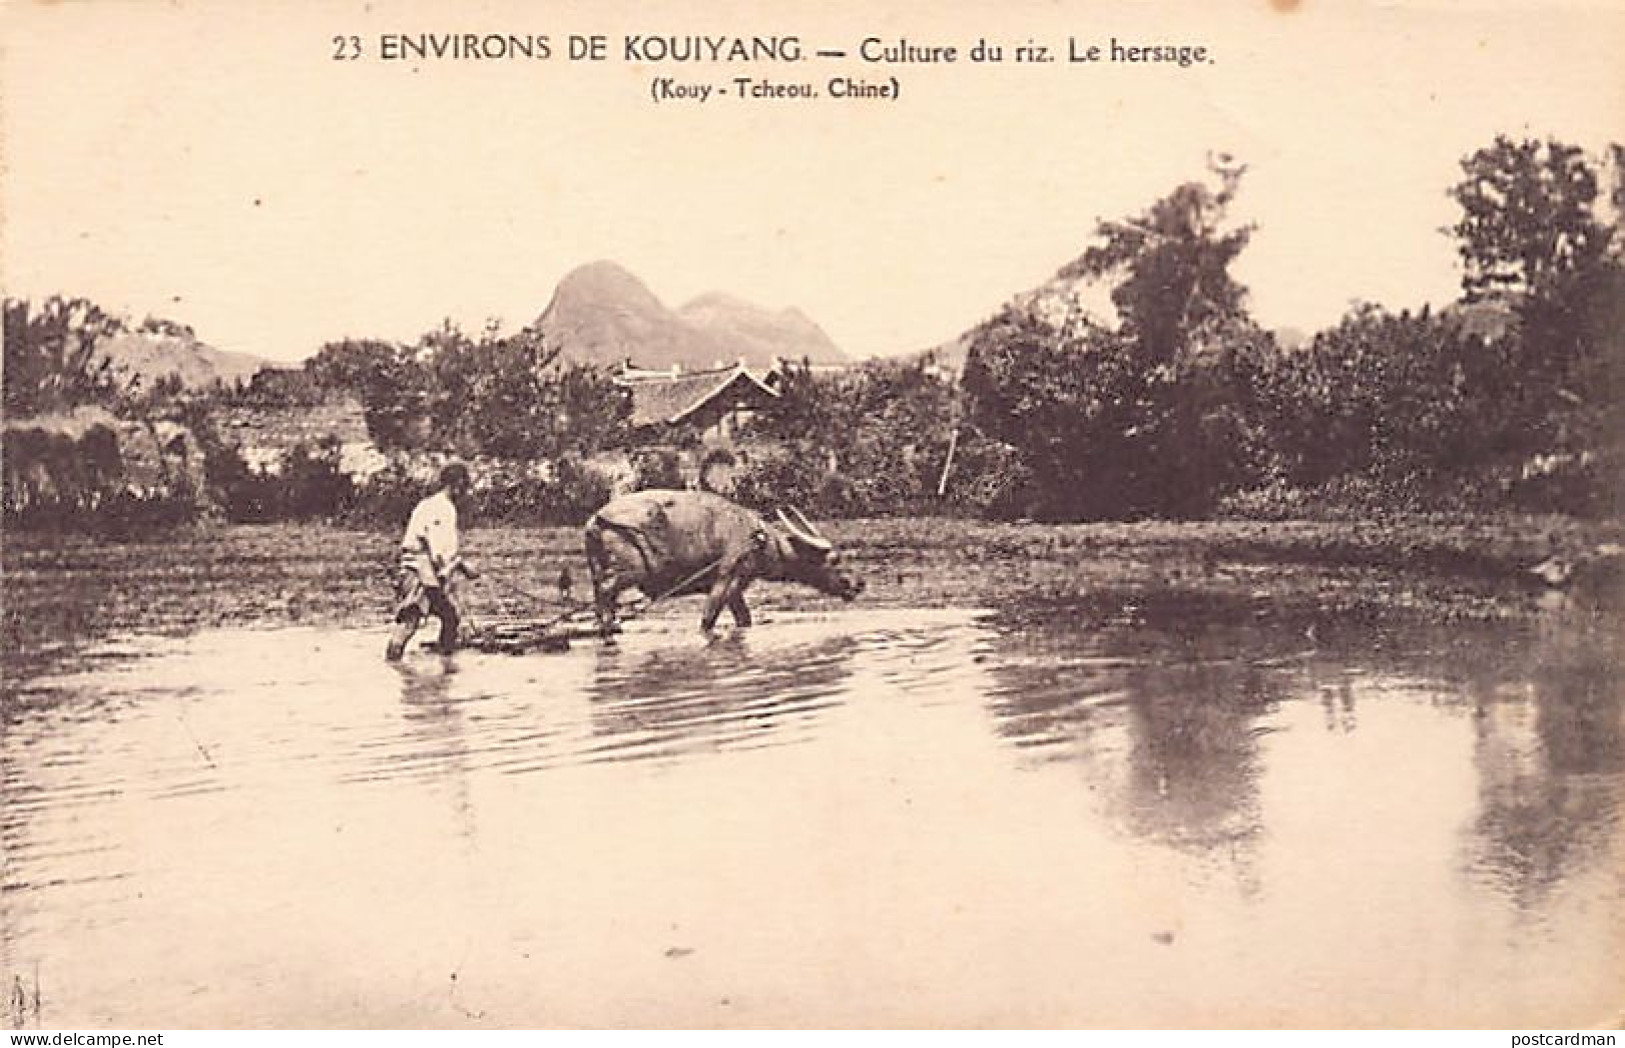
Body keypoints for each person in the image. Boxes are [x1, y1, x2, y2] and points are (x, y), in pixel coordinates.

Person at [385, 463, 480, 660]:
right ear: (457, 485)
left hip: (420, 569)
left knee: (450, 618)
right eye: (464, 487)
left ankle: (445, 668)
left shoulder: (427, 504)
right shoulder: (443, 508)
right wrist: (462, 567)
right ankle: (394, 661)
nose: (464, 493)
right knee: (410, 622)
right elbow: (438, 552)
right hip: (421, 571)